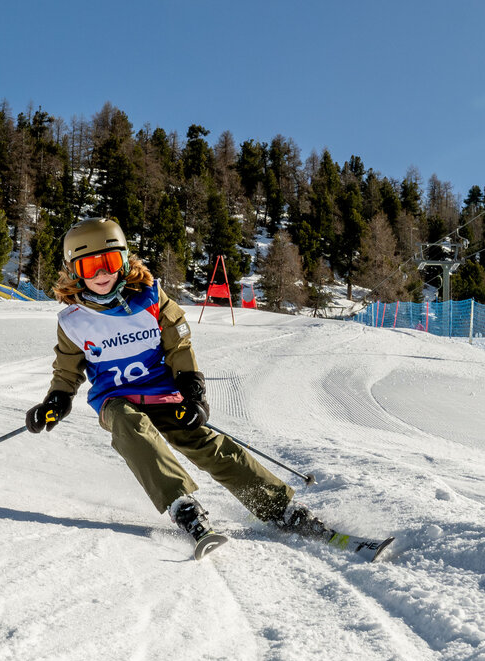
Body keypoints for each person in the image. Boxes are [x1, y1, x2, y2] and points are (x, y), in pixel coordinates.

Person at [24, 217, 324, 552]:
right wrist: (56, 400)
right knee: (130, 425)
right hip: (114, 398)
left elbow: (178, 345)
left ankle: (277, 506)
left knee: (202, 440)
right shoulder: (73, 321)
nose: (101, 274)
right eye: (89, 266)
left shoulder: (150, 298)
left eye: (109, 261)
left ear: (124, 260)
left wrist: (192, 390)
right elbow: (67, 370)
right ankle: (182, 504)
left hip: (162, 392)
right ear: (74, 270)